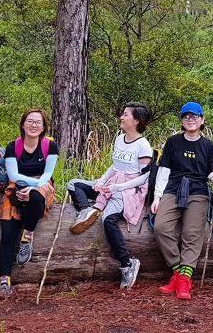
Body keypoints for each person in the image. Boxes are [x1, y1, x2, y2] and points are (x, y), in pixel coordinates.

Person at [67, 102, 153, 290]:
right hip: (112, 182)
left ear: (136, 121)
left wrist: (118, 188)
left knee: (108, 220)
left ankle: (127, 265)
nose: (121, 117)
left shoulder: (143, 145)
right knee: (74, 184)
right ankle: (86, 211)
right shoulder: (120, 138)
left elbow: (144, 177)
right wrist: (101, 181)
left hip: (129, 189)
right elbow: (115, 166)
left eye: (125, 115)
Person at [152, 102, 213, 300]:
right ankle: (177, 271)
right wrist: (157, 197)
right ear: (182, 120)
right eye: (186, 116)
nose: (190, 119)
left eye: (194, 116)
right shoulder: (173, 142)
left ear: (202, 120)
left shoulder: (209, 146)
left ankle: (185, 278)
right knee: (161, 227)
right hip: (173, 189)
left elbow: (212, 173)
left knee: (191, 233)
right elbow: (164, 170)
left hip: (198, 191)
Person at [0, 109, 59, 296]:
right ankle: (4, 280)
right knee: (7, 232)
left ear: (43, 127)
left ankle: (27, 237)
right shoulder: (13, 146)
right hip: (16, 186)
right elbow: (13, 175)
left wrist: (33, 188)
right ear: (23, 125)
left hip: (42, 185)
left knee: (36, 198)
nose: (33, 125)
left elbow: (47, 175)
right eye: (30, 121)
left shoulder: (49, 146)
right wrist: (25, 187)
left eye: (38, 122)